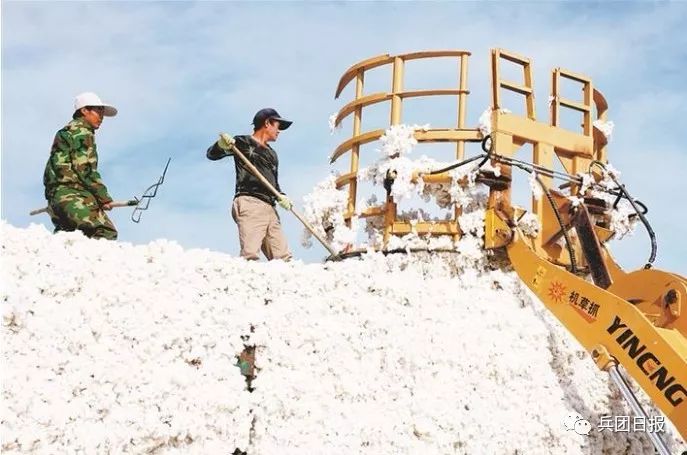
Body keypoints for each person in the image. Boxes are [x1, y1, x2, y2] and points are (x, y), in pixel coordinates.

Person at [207, 108, 293, 261]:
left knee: (284, 259)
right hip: (250, 202)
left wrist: (281, 196)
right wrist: (221, 145)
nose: (279, 131)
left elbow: (273, 183)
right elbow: (212, 154)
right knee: (250, 255)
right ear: (267, 123)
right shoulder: (241, 143)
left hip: (270, 208)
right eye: (278, 126)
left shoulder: (272, 154)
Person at [43, 92, 119, 240]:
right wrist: (104, 198)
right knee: (105, 232)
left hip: (56, 199)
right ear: (84, 111)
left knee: (68, 239)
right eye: (98, 111)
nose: (101, 117)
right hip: (73, 195)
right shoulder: (82, 132)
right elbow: (85, 170)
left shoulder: (66, 131)